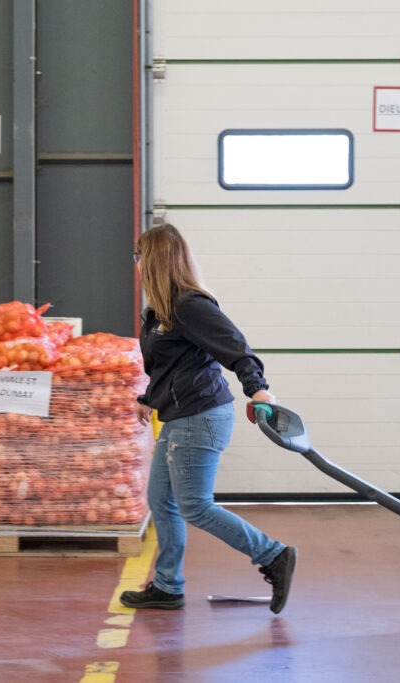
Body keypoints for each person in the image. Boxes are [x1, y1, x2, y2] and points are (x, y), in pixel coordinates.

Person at [120, 223, 297, 615]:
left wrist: (258, 389)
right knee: (161, 500)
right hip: (178, 417)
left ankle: (274, 554)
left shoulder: (190, 305)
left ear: (154, 260)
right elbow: (171, 365)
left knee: (195, 506)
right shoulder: (159, 310)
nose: (136, 264)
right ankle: (167, 587)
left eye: (138, 256)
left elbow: (236, 347)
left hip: (199, 417)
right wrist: (148, 398)